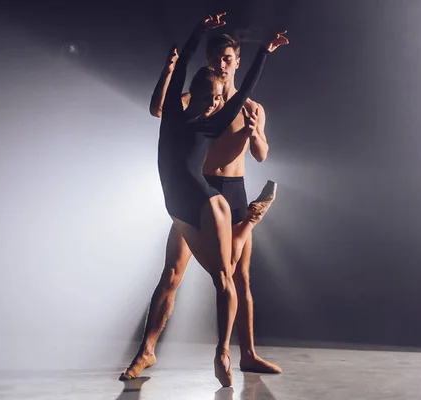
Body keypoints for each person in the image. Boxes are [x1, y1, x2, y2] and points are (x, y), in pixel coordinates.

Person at [122, 13, 288, 387]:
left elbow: (261, 154)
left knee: (238, 278)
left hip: (235, 189)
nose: (223, 64)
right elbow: (158, 109)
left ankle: (245, 354)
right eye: (217, 59)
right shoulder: (194, 101)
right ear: (209, 62)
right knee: (173, 273)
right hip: (198, 187)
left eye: (229, 58)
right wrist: (170, 69)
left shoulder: (248, 108)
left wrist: (255, 132)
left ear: (237, 60)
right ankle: (147, 350)